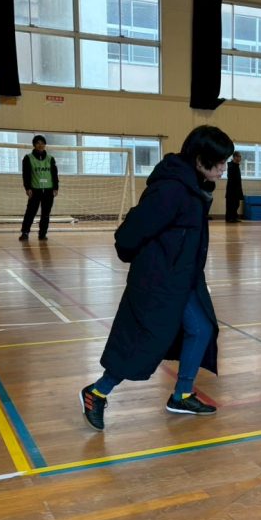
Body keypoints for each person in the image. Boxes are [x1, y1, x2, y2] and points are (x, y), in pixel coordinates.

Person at [80, 126, 234, 431]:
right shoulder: (171, 189)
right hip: (159, 281)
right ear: (200, 159)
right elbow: (128, 235)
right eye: (218, 163)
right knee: (143, 342)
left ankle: (182, 394)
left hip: (184, 278)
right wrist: (150, 264)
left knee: (201, 329)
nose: (222, 169)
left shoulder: (194, 186)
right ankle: (96, 392)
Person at [19, 135, 59, 242]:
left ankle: (42, 234)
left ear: (45, 145)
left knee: (45, 214)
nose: (40, 145)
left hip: (48, 190)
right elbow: (26, 175)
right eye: (38, 143)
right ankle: (25, 232)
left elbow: (54, 174)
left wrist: (56, 187)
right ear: (34, 145)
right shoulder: (28, 158)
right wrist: (27, 188)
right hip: (35, 190)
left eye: (42, 143)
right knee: (30, 212)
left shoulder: (50, 158)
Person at [224, 150, 243, 223]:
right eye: (239, 156)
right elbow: (231, 178)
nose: (240, 158)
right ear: (235, 157)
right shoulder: (231, 165)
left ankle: (234, 217)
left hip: (237, 188)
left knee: (236, 203)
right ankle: (229, 218)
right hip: (232, 189)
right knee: (230, 204)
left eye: (240, 157)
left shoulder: (237, 165)